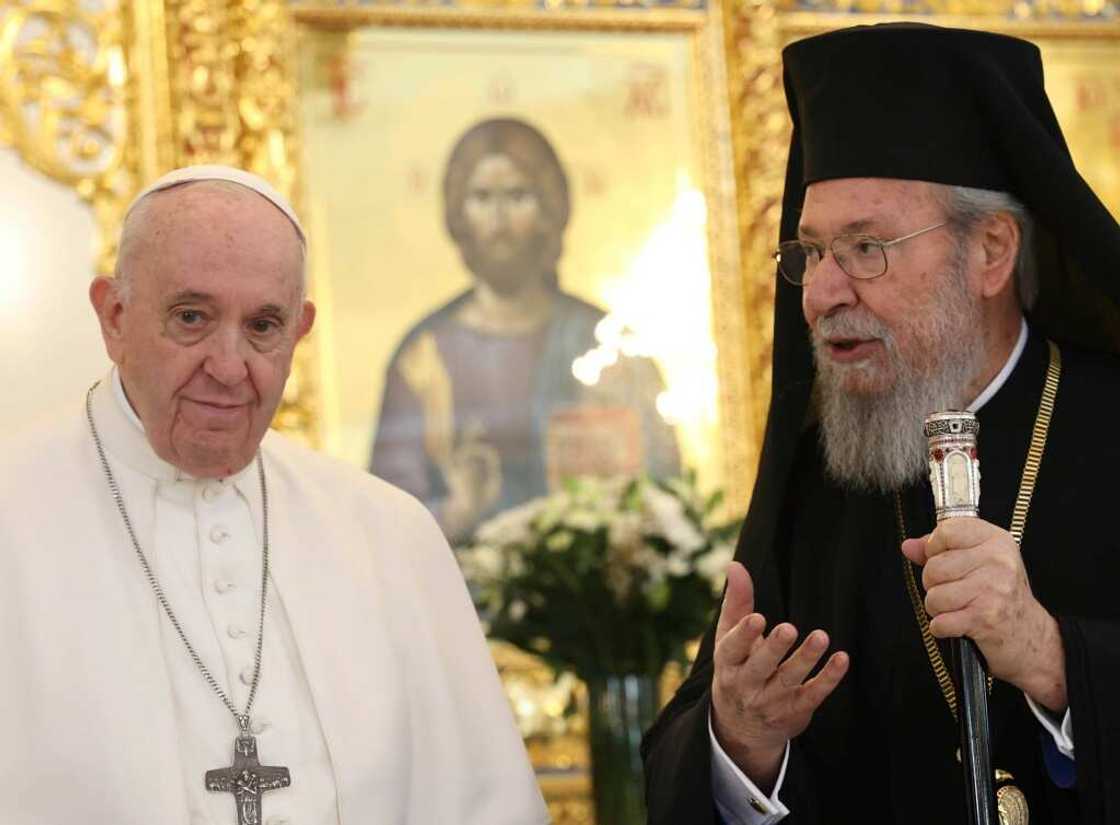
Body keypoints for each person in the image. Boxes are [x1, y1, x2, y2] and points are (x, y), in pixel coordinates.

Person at [642, 23, 1120, 825]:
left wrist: (1055, 659)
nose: (822, 293)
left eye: (866, 247)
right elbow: (680, 769)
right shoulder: (821, 477)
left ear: (992, 252)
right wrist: (742, 742)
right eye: (811, 251)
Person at [0, 165, 548, 825]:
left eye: (263, 325)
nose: (228, 368)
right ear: (114, 317)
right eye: (192, 317)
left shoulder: (391, 536)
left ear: (300, 332)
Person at [370, 117, 680, 544]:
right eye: (481, 197)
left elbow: (665, 495)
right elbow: (384, 516)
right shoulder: (424, 356)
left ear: (549, 208)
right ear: (458, 212)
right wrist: (459, 510)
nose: (498, 218)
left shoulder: (604, 343)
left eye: (517, 195)